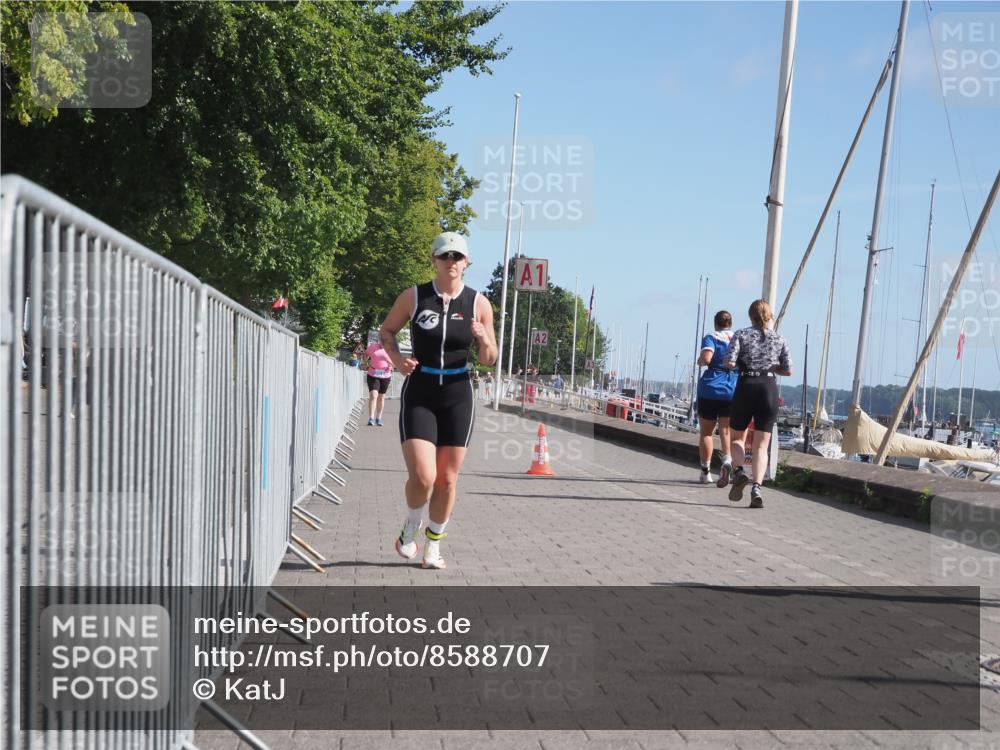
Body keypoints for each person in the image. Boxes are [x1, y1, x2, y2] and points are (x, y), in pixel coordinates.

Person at [378, 232, 498, 569]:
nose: (451, 263)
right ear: (433, 260)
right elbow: (386, 332)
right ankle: (411, 525)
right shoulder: (414, 297)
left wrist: (484, 336)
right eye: (444, 256)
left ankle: (433, 545)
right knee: (424, 477)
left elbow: (489, 357)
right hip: (421, 391)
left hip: (458, 394)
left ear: (466, 263)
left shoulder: (478, 303)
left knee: (447, 480)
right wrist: (397, 361)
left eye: (457, 257)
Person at [718, 299, 792, 508]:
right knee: (761, 446)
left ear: (750, 316)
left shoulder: (740, 335)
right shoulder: (779, 339)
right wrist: (771, 367)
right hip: (768, 388)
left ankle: (739, 471)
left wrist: (742, 364)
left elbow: (729, 362)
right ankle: (757, 487)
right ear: (770, 316)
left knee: (737, 438)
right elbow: (788, 370)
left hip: (746, 385)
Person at [695, 311, 737, 484]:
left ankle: (706, 472)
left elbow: (706, 358)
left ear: (716, 324)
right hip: (732, 388)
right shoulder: (737, 338)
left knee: (707, 432)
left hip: (711, 388)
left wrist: (700, 361)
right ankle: (727, 461)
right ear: (730, 323)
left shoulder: (711, 337)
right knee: (726, 431)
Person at [364, 340, 393, 426]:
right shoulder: (373, 346)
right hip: (373, 374)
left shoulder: (391, 349)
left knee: (381, 397)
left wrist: (390, 363)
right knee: (373, 395)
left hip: (385, 375)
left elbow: (395, 364)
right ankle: (371, 418)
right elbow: (366, 354)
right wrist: (365, 362)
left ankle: (379, 418)